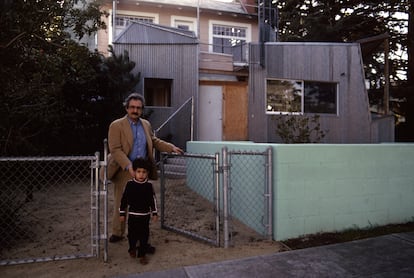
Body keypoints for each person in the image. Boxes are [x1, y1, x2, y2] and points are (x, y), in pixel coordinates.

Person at [107, 92, 183, 246]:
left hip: (142, 171)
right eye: (132, 107)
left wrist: (171, 147)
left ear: (142, 109)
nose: (135, 110)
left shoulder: (146, 124)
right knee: (121, 202)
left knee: (142, 202)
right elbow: (115, 149)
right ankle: (117, 232)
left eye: (139, 108)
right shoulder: (116, 125)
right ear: (127, 108)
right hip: (124, 169)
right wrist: (129, 166)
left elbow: (154, 141)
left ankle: (140, 233)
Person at [119, 158, 158, 265]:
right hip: (132, 216)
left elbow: (153, 200)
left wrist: (154, 213)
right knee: (132, 235)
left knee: (144, 236)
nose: (141, 174)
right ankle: (132, 248)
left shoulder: (149, 186)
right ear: (134, 172)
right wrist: (122, 213)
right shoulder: (129, 184)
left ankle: (142, 254)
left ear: (147, 173)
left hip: (145, 216)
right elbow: (124, 200)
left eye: (144, 172)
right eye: (138, 172)